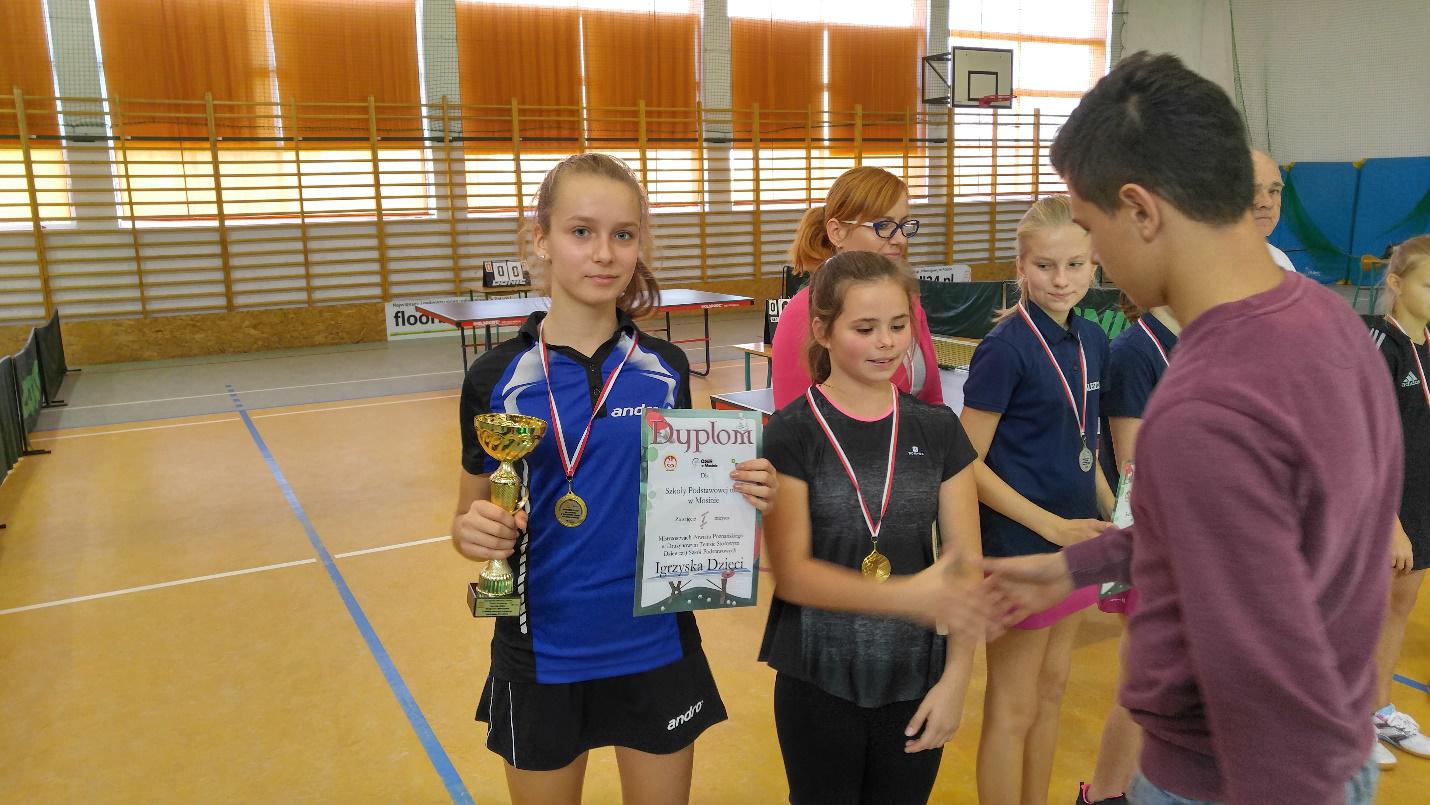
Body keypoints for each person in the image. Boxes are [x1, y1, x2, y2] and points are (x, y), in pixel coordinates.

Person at [986, 52, 1397, 804]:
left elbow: (1269, 685)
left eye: (1091, 228)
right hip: (1339, 748)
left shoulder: (1204, 406)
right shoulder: (1334, 323)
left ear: (1140, 211)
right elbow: (1255, 534)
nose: (1093, 258)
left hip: (1238, 780)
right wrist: (1076, 564)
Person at [450, 153, 778, 805]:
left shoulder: (666, 368)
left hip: (655, 642)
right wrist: (474, 532)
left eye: (623, 234)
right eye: (581, 231)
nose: (604, 253)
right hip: (542, 649)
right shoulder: (495, 378)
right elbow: (468, 516)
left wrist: (742, 496)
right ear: (540, 239)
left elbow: (686, 494)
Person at [760, 250, 987, 804]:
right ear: (823, 330)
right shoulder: (791, 432)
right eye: (864, 329)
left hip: (915, 678)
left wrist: (956, 679)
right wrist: (910, 594)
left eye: (898, 325)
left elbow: (965, 568)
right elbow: (793, 575)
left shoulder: (938, 429)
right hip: (817, 677)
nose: (886, 342)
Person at [961, 194, 1115, 805]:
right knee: (1013, 706)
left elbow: (1086, 441)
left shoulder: (1092, 340)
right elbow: (966, 463)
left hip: (1077, 543)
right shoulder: (1006, 347)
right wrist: (1053, 528)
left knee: (1051, 691)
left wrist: (1114, 508)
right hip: (1022, 548)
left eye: (1075, 265)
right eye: (1045, 265)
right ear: (1021, 266)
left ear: (1094, 264)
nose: (1061, 279)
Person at [1077, 296, 1180, 805]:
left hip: (1195, 534)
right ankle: (1103, 793)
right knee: (1145, 677)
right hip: (1155, 535)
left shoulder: (1198, 341)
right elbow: (1134, 465)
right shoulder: (1136, 351)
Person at [772, 167, 943, 409]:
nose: (900, 239)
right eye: (883, 225)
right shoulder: (804, 311)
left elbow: (933, 401)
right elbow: (793, 419)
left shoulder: (909, 301)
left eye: (904, 225)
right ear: (837, 232)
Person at [1365, 235, 1430, 770]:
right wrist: (1389, 524)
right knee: (1360, 616)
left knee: (1397, 610)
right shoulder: (1379, 346)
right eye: (1429, 284)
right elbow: (1361, 442)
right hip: (1381, 510)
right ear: (1396, 283)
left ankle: (1378, 710)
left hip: (1421, 501)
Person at [1250, 149, 1297, 272]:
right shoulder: (1204, 269)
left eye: (1274, 191)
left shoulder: (1280, 260)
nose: (1267, 202)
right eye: (1252, 191)